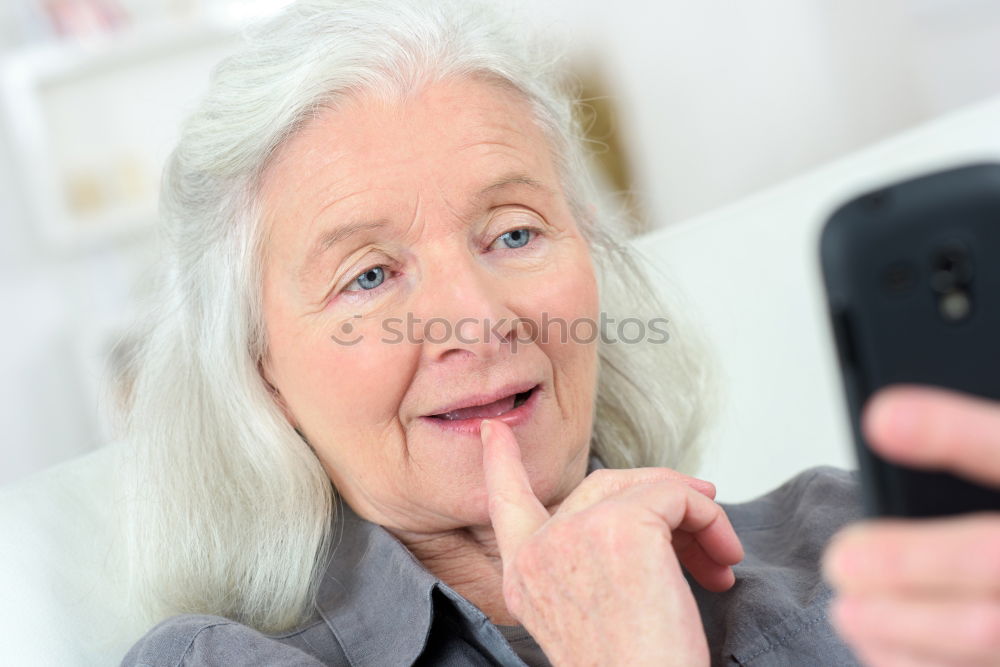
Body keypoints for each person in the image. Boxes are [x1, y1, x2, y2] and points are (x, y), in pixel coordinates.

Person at [116, 1, 1000, 664]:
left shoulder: (854, 537)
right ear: (263, 368)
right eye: (371, 275)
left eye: (513, 232)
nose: (478, 318)